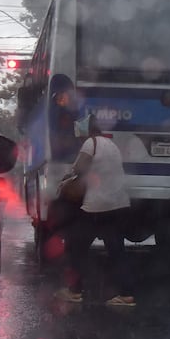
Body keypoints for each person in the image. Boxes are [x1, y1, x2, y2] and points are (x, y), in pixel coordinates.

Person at [54, 113, 136, 307]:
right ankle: (126, 294)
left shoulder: (91, 144)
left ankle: (74, 291)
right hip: (118, 204)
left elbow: (78, 169)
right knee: (117, 250)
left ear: (88, 129)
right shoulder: (111, 144)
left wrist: (66, 179)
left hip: (96, 206)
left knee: (76, 247)